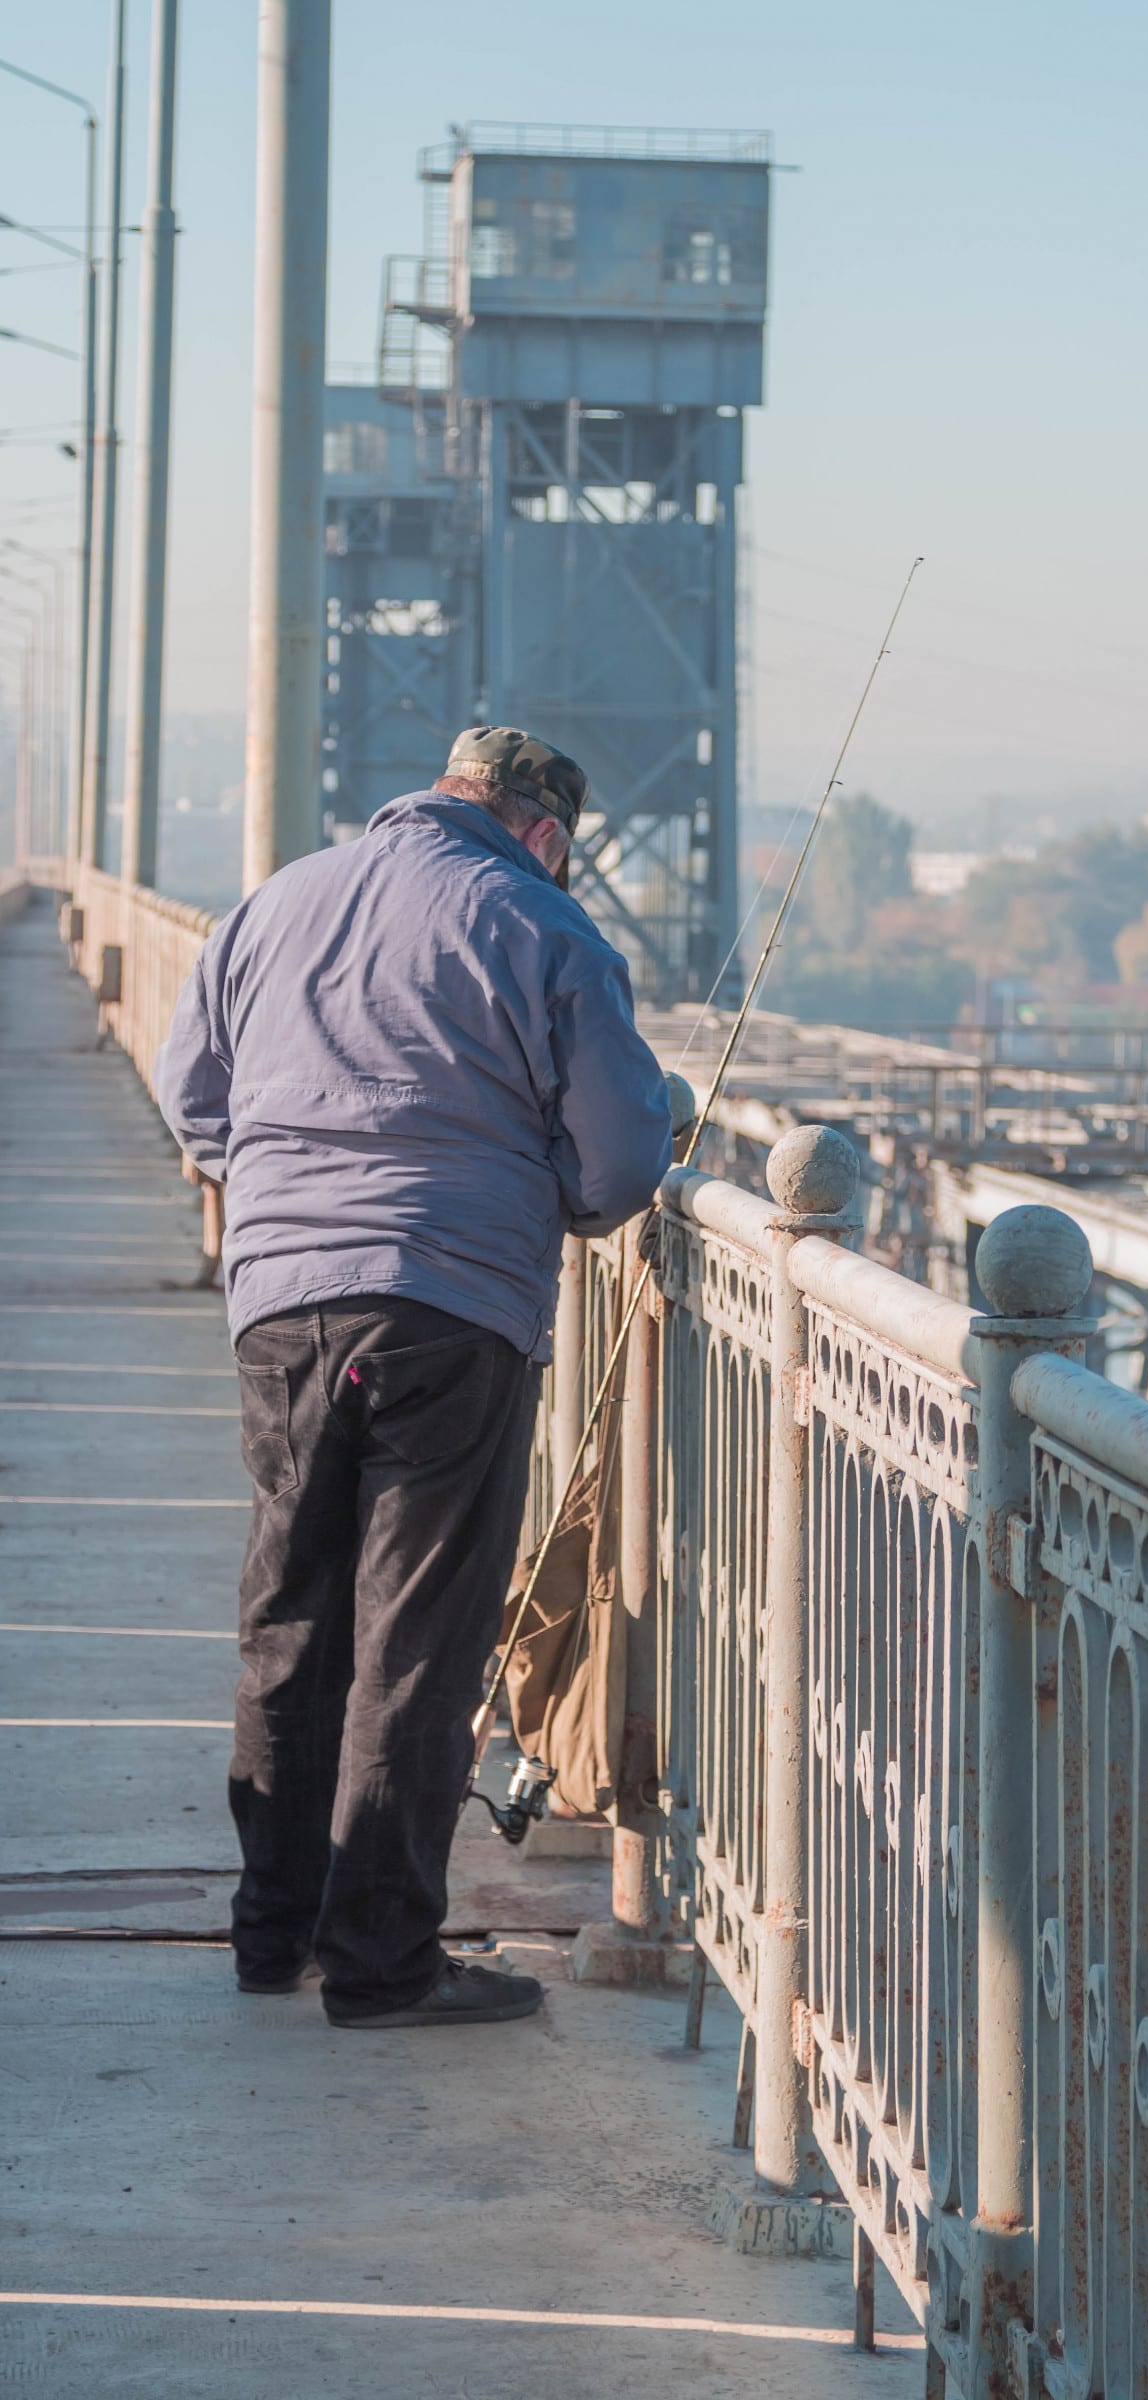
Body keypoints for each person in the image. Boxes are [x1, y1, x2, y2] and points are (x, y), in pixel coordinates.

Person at [156, 727, 673, 2029]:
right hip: (450, 1309)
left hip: (281, 1305)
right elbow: (617, 1174)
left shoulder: (278, 901)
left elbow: (195, 1099)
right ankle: (382, 1962)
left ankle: (272, 1938)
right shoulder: (548, 930)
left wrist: (286, 1185)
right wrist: (517, 1189)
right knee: (416, 1641)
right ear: (545, 834)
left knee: (291, 1615)